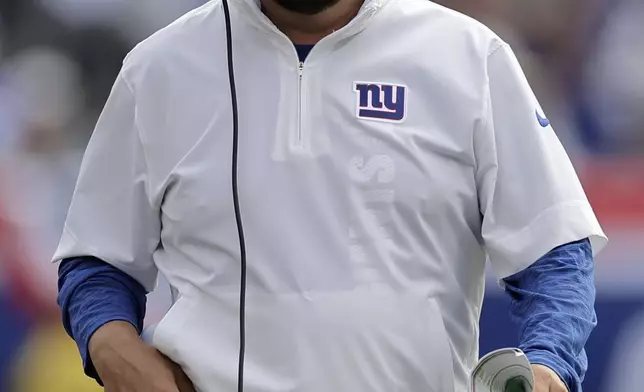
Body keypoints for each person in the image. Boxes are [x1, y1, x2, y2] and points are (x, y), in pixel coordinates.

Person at [53, 0, 608, 391]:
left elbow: (554, 251)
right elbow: (96, 260)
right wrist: (113, 350)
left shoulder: (465, 54)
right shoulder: (159, 68)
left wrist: (548, 366)